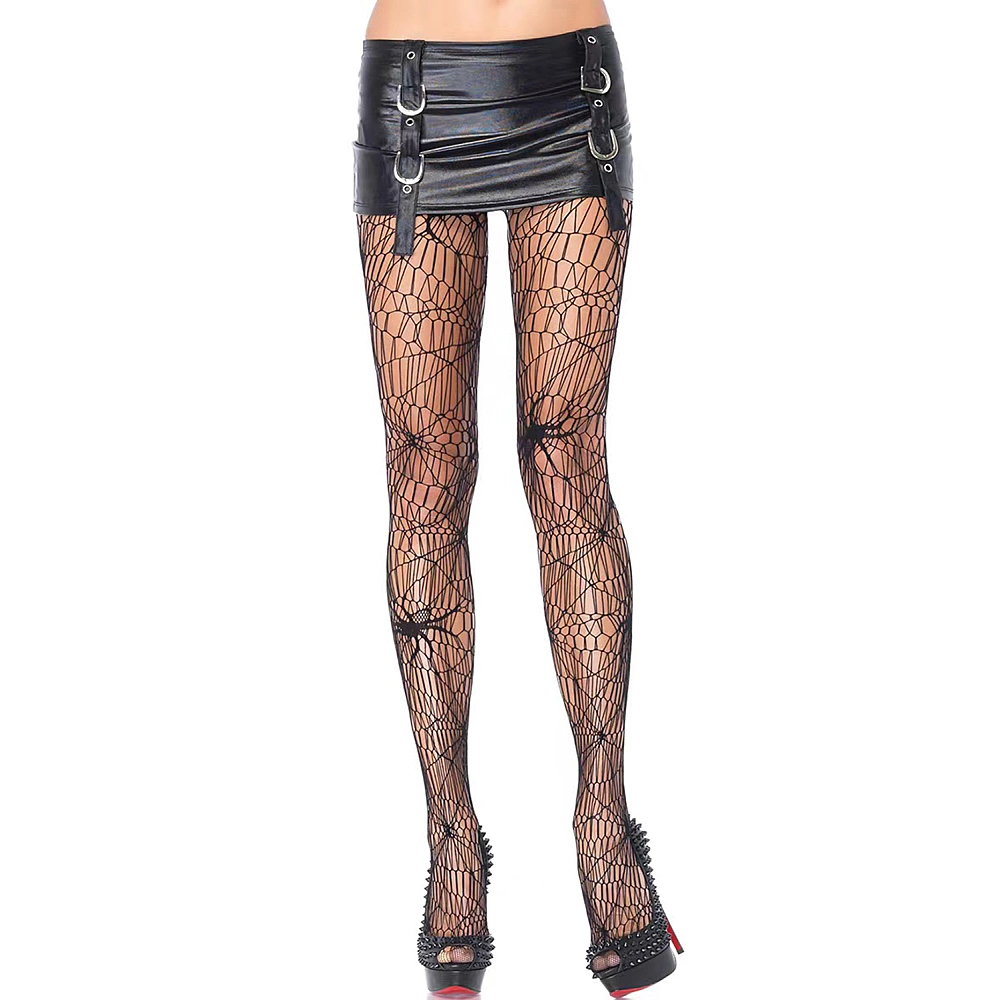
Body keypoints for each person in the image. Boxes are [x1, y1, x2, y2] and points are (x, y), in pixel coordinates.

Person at [352, 1, 683, 994]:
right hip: (416, 93)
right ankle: (451, 839)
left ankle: (602, 828)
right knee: (424, 465)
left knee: (564, 453)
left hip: (568, 85)